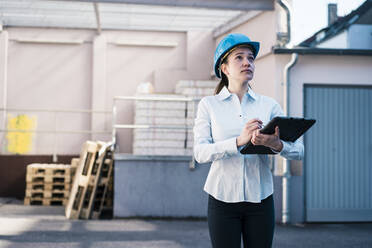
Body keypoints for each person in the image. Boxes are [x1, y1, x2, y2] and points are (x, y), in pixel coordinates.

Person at [193, 33, 304, 248]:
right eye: (239, 57)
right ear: (224, 68)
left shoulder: (269, 105)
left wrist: (275, 144)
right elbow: (200, 152)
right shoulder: (209, 105)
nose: (247, 62)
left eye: (251, 58)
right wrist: (238, 141)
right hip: (222, 199)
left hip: (261, 200)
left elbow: (299, 151)